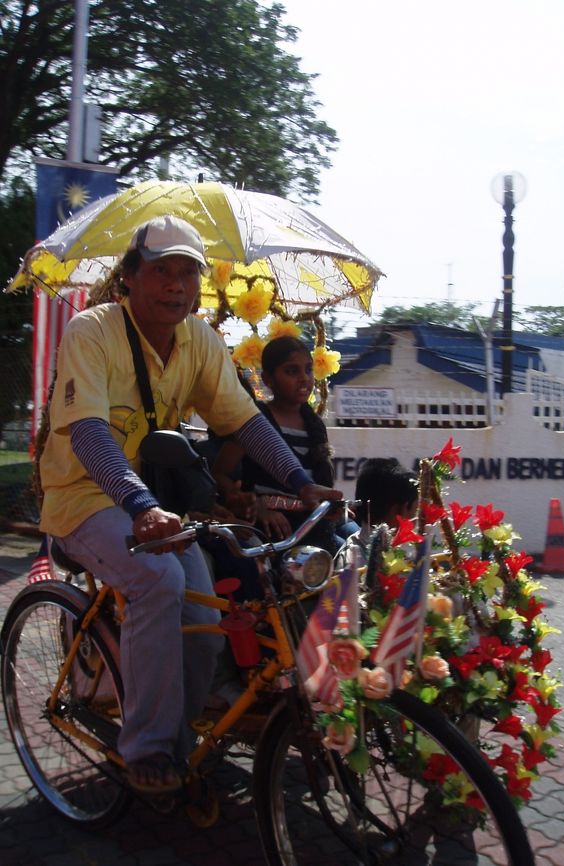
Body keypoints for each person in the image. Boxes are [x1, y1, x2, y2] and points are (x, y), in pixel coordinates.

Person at [38, 215, 341, 795]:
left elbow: (244, 421)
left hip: (154, 505)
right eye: (161, 271)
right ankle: (148, 749)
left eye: (187, 273)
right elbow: (90, 433)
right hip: (84, 498)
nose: (175, 285)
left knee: (205, 617)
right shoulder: (91, 331)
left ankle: (185, 741)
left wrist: (302, 482)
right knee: (159, 580)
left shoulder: (199, 340)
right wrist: (139, 504)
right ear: (129, 276)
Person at [213, 336, 340, 555]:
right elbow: (219, 473)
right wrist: (257, 508)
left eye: (308, 370)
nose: (304, 378)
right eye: (292, 371)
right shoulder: (254, 420)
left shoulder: (315, 425)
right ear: (268, 379)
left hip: (311, 524)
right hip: (267, 528)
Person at [335, 457, 418, 569]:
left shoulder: (393, 550)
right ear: (400, 510)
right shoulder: (353, 562)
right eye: (415, 510)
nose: (415, 518)